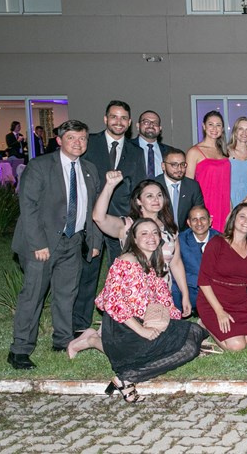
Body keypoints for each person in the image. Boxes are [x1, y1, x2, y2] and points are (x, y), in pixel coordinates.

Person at [8, 120, 102, 370]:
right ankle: (19, 349)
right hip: (42, 243)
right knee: (33, 295)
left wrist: (93, 240)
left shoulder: (89, 169)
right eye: (71, 138)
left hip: (74, 241)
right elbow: (28, 207)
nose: (78, 143)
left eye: (82, 138)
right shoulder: (40, 166)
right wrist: (38, 243)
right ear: (59, 140)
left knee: (66, 293)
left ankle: (62, 340)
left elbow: (92, 209)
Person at [95, 218, 207, 402]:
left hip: (145, 321)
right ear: (134, 239)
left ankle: (130, 368)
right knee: (189, 349)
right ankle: (126, 378)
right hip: (125, 331)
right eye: (144, 233)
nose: (151, 237)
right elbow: (113, 302)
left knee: (194, 331)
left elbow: (162, 298)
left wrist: (174, 324)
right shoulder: (127, 261)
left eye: (155, 232)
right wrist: (142, 331)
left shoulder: (150, 263)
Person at [75, 100, 145, 335]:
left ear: (129, 122)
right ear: (105, 119)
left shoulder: (135, 152)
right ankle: (80, 324)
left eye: (123, 118)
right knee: (88, 272)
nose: (118, 121)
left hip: (121, 222)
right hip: (91, 219)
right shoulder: (89, 143)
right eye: (114, 117)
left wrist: (134, 220)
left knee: (122, 273)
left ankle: (120, 322)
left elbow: (138, 187)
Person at [91, 175, 192, 318]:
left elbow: (175, 263)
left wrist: (185, 295)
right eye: (149, 196)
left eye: (159, 195)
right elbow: (98, 218)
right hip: (133, 297)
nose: (156, 199)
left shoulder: (170, 229)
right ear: (139, 201)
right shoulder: (128, 225)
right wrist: (109, 186)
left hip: (161, 296)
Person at [196, 203, 247, 352]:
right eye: (242, 216)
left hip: (240, 302)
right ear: (233, 219)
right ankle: (205, 324)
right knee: (237, 346)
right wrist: (219, 311)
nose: (246, 221)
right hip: (214, 301)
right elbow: (203, 281)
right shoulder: (216, 243)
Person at [186, 110, 231, 230]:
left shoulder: (224, 152)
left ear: (222, 129)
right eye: (211, 124)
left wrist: (230, 208)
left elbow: (226, 184)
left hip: (224, 205)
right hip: (205, 204)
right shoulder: (194, 152)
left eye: (218, 125)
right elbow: (187, 186)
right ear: (204, 126)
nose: (214, 128)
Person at [174, 205, 220, 313]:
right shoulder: (180, 241)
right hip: (190, 288)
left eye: (203, 218)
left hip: (216, 289)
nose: (199, 223)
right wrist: (202, 281)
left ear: (210, 221)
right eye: (194, 219)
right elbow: (176, 269)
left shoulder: (221, 240)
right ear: (189, 223)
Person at [156, 147, 205, 230]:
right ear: (163, 166)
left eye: (182, 164)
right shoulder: (154, 185)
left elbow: (199, 213)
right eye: (174, 165)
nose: (179, 169)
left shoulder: (192, 186)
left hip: (187, 234)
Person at [227, 117, 247, 208]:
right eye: (240, 129)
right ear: (235, 132)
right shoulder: (225, 152)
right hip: (228, 201)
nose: (244, 133)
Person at [134, 111, 168, 179]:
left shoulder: (169, 152)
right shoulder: (126, 148)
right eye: (146, 122)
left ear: (160, 128)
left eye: (155, 123)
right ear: (138, 126)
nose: (151, 125)